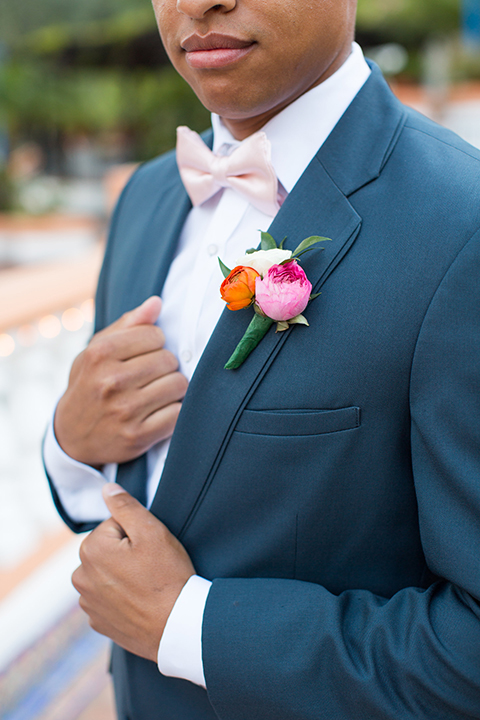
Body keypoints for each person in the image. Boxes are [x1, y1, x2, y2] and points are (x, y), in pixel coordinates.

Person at [43, 0, 480, 717]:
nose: (198, 3)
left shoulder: (463, 225)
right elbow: (148, 502)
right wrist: (71, 446)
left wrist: (191, 628)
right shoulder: (148, 198)